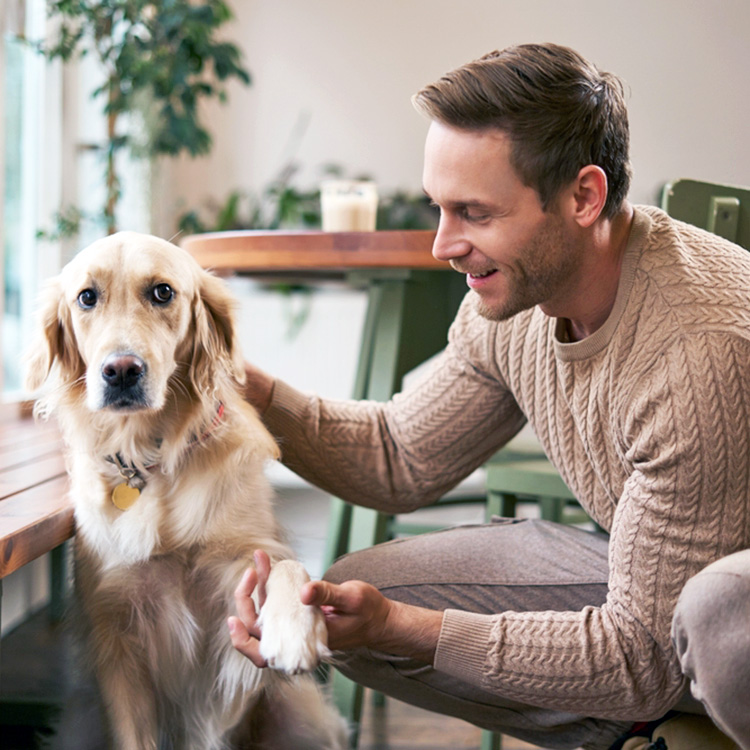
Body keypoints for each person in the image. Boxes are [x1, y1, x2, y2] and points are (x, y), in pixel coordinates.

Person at [227, 43, 750, 750]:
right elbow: (398, 455)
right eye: (439, 208)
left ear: (584, 196)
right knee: (347, 597)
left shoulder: (695, 352)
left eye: (473, 212)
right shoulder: (513, 303)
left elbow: (640, 654)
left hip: (732, 604)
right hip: (666, 594)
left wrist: (401, 630)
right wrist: (250, 391)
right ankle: (650, 729)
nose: (443, 244)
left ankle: (669, 722)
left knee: (710, 622)